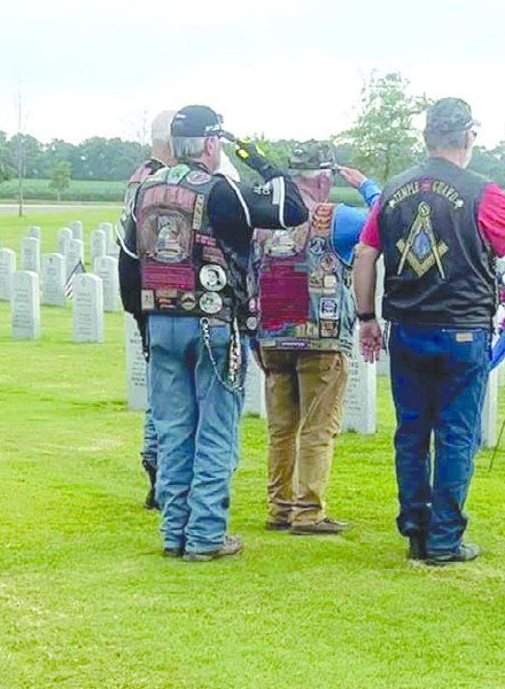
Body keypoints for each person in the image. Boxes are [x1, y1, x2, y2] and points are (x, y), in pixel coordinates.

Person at [119, 104, 308, 561]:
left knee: (173, 431)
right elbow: (291, 207)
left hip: (160, 323)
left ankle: (173, 532)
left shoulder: (143, 191)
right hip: (214, 327)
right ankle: (205, 534)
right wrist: (256, 156)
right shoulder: (221, 191)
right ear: (211, 144)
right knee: (216, 431)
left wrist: (145, 325)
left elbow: (129, 264)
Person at [353, 98, 505, 564]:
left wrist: (366, 317)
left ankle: (415, 528)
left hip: (407, 327)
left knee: (411, 432)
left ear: (426, 137)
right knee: (456, 434)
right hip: (462, 330)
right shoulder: (481, 192)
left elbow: (366, 254)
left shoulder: (393, 190)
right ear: (469, 137)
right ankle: (445, 539)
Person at [250, 142, 380, 535]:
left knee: (281, 429)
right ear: (324, 179)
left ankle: (279, 508)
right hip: (322, 341)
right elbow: (386, 222)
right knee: (318, 428)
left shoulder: (262, 221)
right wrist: (367, 186)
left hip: (272, 337)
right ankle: (308, 512)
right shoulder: (336, 217)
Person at [119, 110, 176, 511]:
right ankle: (160, 474)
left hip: (145, 297)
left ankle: (157, 471)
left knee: (161, 392)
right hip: (162, 295)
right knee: (165, 395)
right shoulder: (160, 183)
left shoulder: (139, 176)